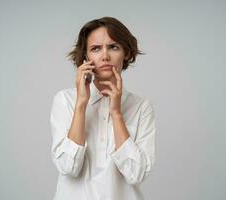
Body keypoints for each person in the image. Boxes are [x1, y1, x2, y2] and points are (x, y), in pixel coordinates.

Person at [50, 16, 156, 200]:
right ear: (86, 57)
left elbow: (136, 174)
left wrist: (116, 113)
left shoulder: (141, 107)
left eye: (113, 47)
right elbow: (67, 167)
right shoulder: (65, 100)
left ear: (126, 53)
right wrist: (81, 104)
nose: (105, 56)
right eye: (96, 48)